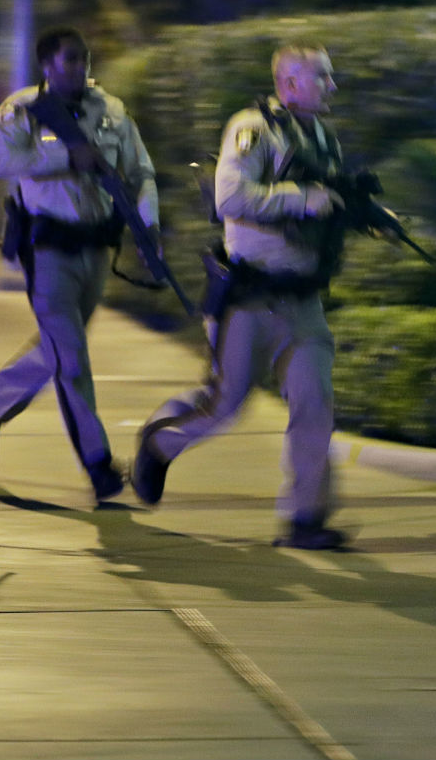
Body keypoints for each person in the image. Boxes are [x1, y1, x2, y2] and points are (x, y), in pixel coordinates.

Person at [130, 44, 350, 550]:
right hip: (249, 296)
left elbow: (326, 207)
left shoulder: (321, 138)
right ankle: (158, 444)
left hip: (302, 298)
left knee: (314, 401)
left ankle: (305, 520)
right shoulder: (251, 129)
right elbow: (231, 197)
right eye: (322, 77)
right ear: (289, 84)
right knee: (223, 405)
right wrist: (301, 199)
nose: (331, 87)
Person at [0, 27, 159, 501]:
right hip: (48, 249)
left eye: (84, 58)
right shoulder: (23, 110)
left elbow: (141, 171)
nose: (79, 67)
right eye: (69, 59)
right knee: (71, 359)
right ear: (47, 65)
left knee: (58, 351)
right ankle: (98, 464)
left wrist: (148, 224)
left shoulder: (110, 110)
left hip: (96, 250)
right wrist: (63, 155)